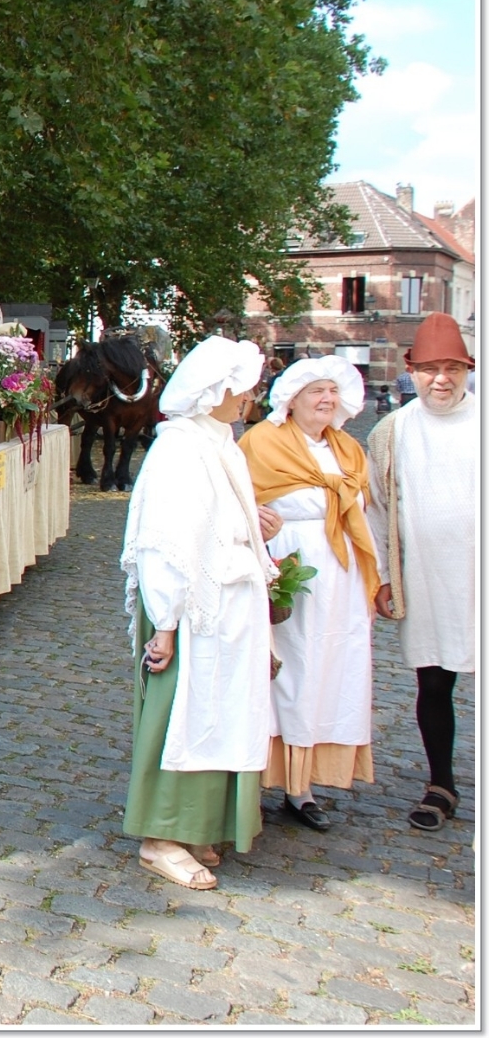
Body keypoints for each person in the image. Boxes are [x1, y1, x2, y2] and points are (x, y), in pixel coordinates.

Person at [120, 335, 280, 890]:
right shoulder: (180, 449)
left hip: (227, 605)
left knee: (225, 711)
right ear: (213, 391)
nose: (249, 397)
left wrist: (255, 526)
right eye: (242, 388)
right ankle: (161, 836)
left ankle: (198, 825)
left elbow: (220, 519)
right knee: (181, 716)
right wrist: (165, 624)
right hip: (191, 610)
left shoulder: (220, 443)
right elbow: (164, 540)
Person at [239, 357, 378, 831]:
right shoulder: (261, 442)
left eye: (332, 391)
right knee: (284, 667)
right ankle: (258, 778)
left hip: (341, 577)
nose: (326, 399)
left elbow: (364, 511)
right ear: (292, 399)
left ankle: (304, 786)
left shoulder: (348, 449)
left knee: (329, 667)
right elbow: (236, 503)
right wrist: (258, 527)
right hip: (287, 564)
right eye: (316, 390)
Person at [366, 312, 477, 832]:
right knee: (433, 682)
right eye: (431, 369)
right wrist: (384, 575)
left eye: (452, 368)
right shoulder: (393, 432)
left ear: (468, 370)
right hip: (428, 577)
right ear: (411, 371)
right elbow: (377, 508)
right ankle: (441, 785)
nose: (442, 379)